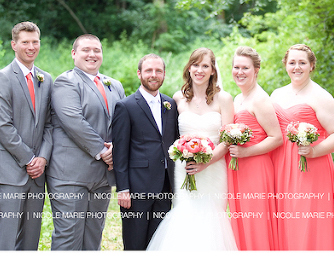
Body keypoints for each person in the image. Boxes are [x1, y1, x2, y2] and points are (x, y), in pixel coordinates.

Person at [147, 47, 237, 251]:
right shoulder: (177, 98)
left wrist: (206, 161)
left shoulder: (225, 99)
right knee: (184, 215)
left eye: (205, 66)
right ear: (189, 68)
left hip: (214, 170)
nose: (200, 70)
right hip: (184, 168)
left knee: (213, 219)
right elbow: (167, 135)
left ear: (213, 70)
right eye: (196, 65)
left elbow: (227, 140)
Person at [47, 34, 126, 251]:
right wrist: (102, 150)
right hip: (70, 175)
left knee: (93, 236)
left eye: (97, 50)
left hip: (102, 175)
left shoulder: (115, 85)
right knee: (68, 237)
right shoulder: (66, 82)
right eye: (86, 50)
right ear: (74, 54)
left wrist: (117, 150)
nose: (92, 54)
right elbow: (74, 121)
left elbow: (122, 124)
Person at [270, 44, 334, 250]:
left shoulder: (320, 96)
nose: (297, 67)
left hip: (309, 167)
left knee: (306, 220)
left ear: (312, 66)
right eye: (292, 62)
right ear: (285, 65)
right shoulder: (276, 94)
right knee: (285, 217)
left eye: (302, 63)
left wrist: (314, 151)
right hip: (280, 165)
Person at [0, 22, 53, 250]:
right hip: (10, 171)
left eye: (35, 41)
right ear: (14, 45)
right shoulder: (2, 78)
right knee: (7, 236)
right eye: (25, 42)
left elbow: (49, 124)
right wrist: (29, 159)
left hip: (38, 173)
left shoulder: (46, 79)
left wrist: (43, 159)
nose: (31, 46)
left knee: (31, 237)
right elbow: (3, 127)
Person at [111, 54, 180, 250]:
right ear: (139, 74)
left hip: (165, 187)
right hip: (137, 189)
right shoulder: (126, 106)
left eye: (158, 71)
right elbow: (120, 152)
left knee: (158, 242)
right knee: (135, 243)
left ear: (164, 74)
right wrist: (123, 188)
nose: (154, 75)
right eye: (149, 70)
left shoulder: (170, 105)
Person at [225, 46, 282, 250]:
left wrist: (246, 152)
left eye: (245, 68)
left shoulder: (260, 99)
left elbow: (276, 138)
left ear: (256, 70)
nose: (239, 72)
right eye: (236, 67)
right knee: (242, 218)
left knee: (256, 221)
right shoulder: (238, 98)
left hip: (256, 169)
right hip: (239, 168)